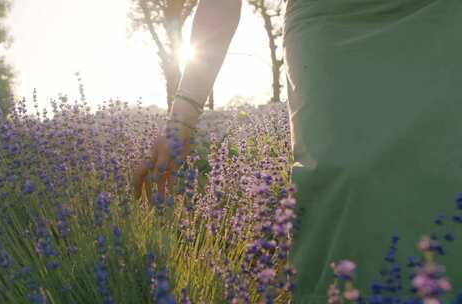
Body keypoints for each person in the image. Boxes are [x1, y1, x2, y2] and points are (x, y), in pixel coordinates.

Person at [133, 0, 462, 302]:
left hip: (438, 14)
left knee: (447, 166)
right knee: (348, 179)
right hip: (332, 20)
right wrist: (182, 117)